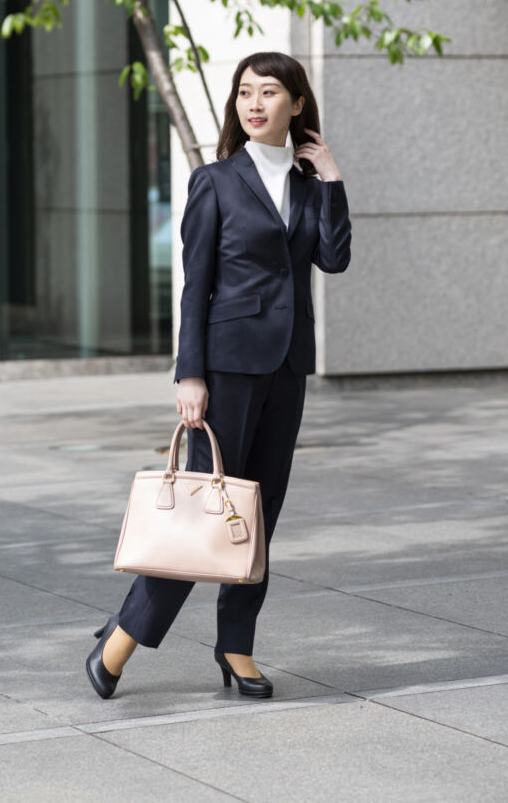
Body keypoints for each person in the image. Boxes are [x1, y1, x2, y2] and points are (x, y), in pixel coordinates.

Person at [86, 51, 352, 700]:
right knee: (202, 514)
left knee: (257, 515)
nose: (253, 104)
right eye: (243, 93)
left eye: (268, 93)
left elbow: (335, 258)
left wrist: (334, 177)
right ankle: (120, 641)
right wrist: (189, 375)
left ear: (296, 103)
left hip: (287, 367)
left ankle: (236, 647)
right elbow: (195, 285)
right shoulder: (215, 181)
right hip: (226, 368)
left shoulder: (310, 184)